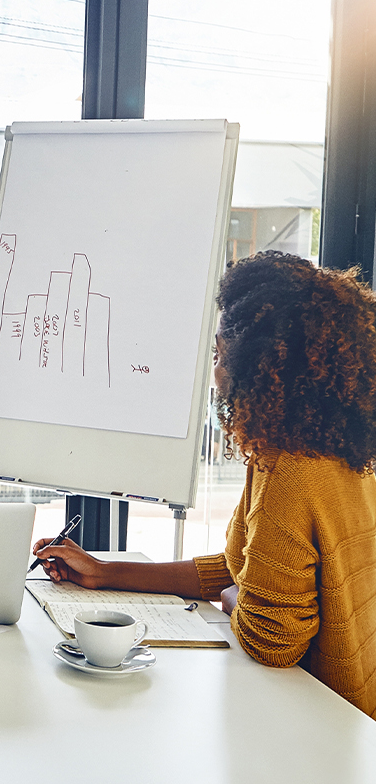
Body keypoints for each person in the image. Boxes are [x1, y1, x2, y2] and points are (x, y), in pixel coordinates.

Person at [33, 251, 376, 718]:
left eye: (219, 356)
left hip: (326, 718)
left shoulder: (291, 470)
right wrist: (104, 573)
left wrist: (239, 597)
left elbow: (271, 640)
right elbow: (245, 568)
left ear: (258, 368)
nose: (213, 374)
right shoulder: (333, 450)